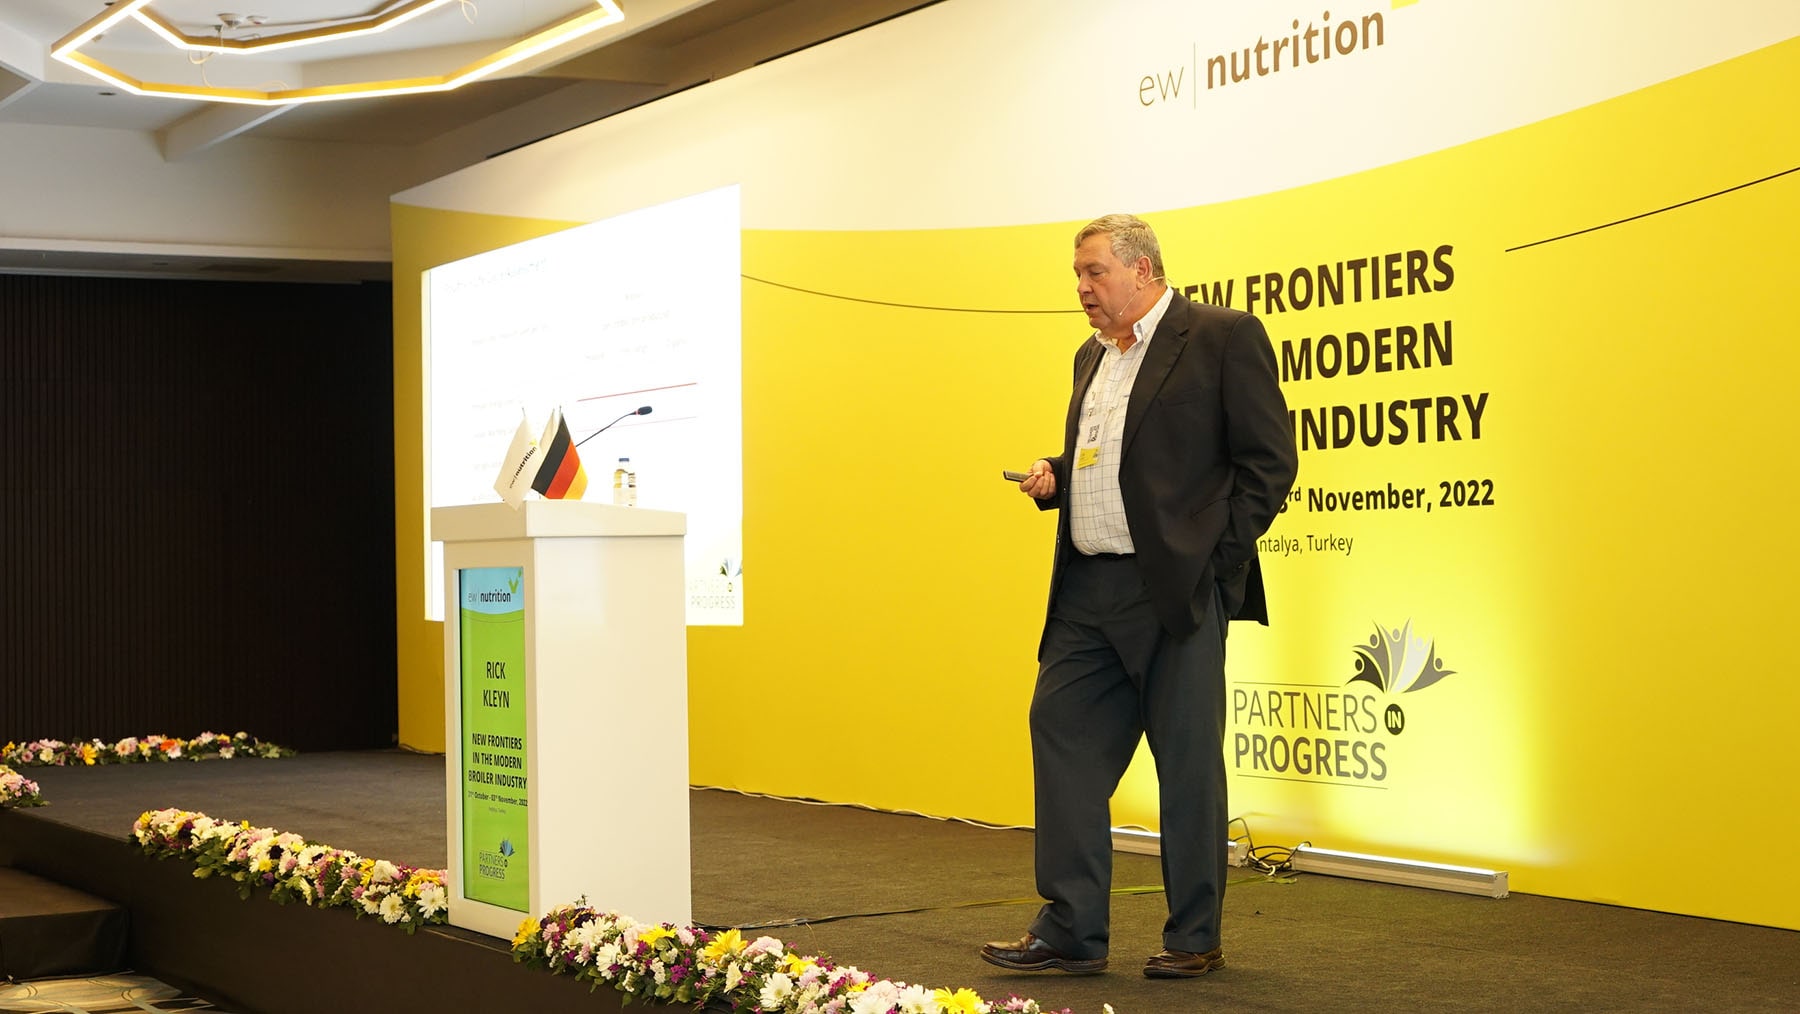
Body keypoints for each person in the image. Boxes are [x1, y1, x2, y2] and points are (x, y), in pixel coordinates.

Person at [981, 213, 1297, 980]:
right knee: (1059, 735)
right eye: (1077, 275)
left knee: (1186, 766)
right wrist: (1059, 473)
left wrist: (1212, 563)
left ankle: (1194, 936)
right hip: (1086, 588)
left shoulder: (1221, 336)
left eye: (1094, 272)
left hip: (1173, 590)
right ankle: (1071, 929)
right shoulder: (1090, 356)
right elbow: (1115, 456)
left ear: (1142, 269)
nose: (1082, 288)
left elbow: (1270, 462)